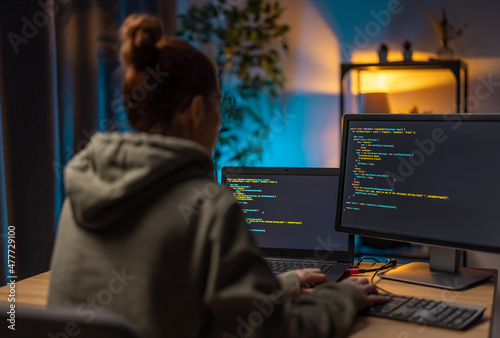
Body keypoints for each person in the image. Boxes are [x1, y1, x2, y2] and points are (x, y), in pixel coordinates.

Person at [47, 14, 387, 338]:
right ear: (197, 111)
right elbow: (279, 332)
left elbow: (163, 296)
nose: (221, 120)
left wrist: (282, 285)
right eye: (218, 106)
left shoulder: (84, 187)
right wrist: (344, 298)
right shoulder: (206, 208)